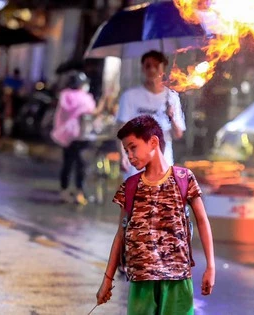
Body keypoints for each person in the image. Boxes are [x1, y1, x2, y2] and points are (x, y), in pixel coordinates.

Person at [96, 115, 215, 314]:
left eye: (133, 148)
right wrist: (107, 280)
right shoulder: (130, 187)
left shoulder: (184, 178)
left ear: (153, 142)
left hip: (177, 277)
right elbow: (121, 235)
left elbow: (203, 222)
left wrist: (211, 266)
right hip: (142, 279)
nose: (130, 156)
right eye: (126, 151)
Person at [116, 50, 186, 179]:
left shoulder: (172, 97)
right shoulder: (130, 96)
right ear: (142, 68)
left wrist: (171, 116)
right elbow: (121, 130)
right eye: (148, 66)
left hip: (162, 163)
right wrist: (123, 156)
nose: (152, 70)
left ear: (163, 68)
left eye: (156, 65)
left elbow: (178, 134)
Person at [50, 72, 99, 205]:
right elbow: (92, 112)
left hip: (66, 135)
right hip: (82, 135)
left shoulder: (64, 96)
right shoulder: (85, 98)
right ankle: (79, 192)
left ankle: (64, 191)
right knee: (81, 165)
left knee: (67, 164)